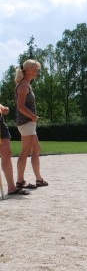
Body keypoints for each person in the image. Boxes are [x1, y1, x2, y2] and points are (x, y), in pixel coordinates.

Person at [14, 59, 48, 189]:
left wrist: (33, 118)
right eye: (36, 69)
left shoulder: (27, 84)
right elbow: (20, 106)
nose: (38, 72)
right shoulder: (23, 85)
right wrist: (33, 116)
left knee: (36, 149)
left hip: (29, 123)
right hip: (26, 123)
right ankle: (20, 181)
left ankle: (39, 179)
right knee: (25, 151)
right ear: (29, 71)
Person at [0, 104, 29, 196]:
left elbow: (4, 109)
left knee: (7, 154)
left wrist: (4, 109)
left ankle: (11, 188)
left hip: (0, 124)